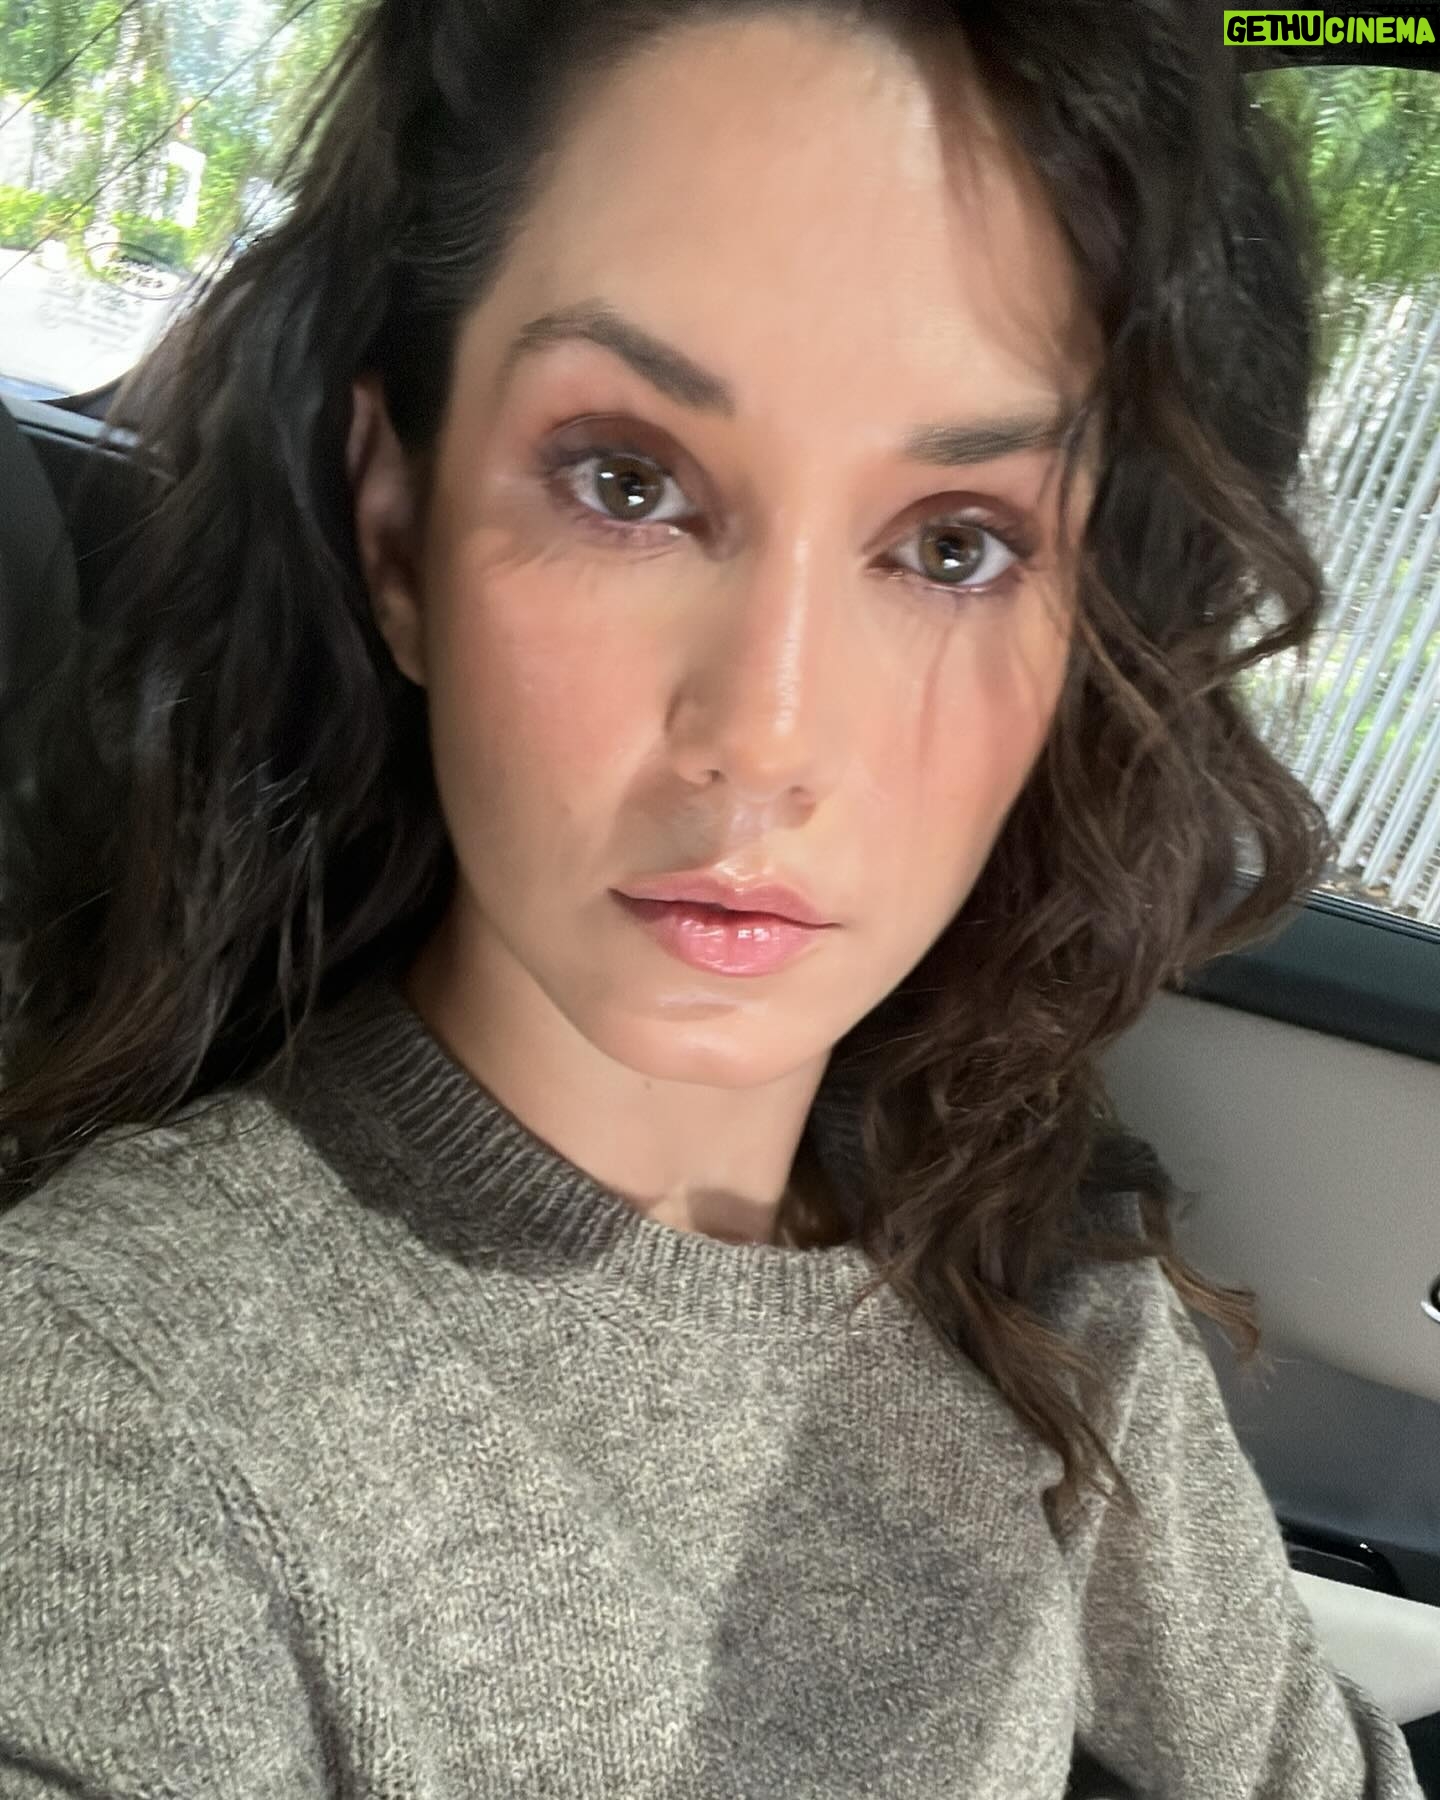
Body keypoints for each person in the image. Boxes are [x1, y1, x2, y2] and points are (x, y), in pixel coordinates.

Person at [0, 0, 1424, 1794]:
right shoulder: (106, 1407)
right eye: (627, 484)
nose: (764, 735)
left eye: (955, 544)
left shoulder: (1036, 1261)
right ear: (398, 535)